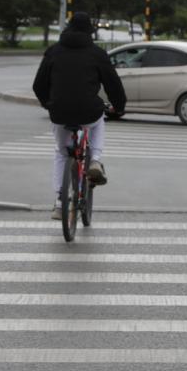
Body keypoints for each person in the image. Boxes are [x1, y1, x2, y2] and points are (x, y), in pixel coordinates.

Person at [32, 11, 126, 219]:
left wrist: (49, 104)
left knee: (61, 152)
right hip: (88, 111)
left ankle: (60, 202)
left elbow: (38, 85)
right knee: (98, 121)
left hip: (59, 113)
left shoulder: (53, 51)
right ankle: (95, 161)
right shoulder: (97, 54)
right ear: (90, 32)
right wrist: (119, 106)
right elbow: (113, 84)